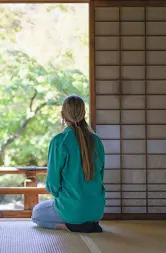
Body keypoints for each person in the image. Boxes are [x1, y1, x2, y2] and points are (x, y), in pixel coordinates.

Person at [31, 95, 105, 233]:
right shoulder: (96, 140)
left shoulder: (59, 141)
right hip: (96, 211)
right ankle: (85, 223)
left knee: (36, 214)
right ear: (84, 114)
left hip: (71, 210)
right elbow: (101, 176)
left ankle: (68, 226)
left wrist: (63, 197)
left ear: (63, 115)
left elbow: (52, 184)